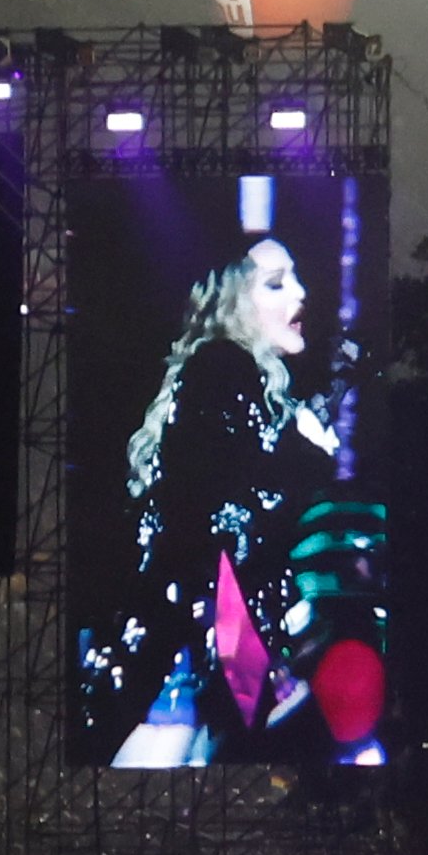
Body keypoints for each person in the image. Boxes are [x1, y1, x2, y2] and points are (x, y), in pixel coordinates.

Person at [92, 234, 345, 765]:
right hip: (189, 641)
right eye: (276, 284)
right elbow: (227, 521)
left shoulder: (226, 373)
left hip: (201, 641)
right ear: (234, 302)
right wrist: (306, 454)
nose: (300, 294)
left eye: (296, 277)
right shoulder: (224, 368)